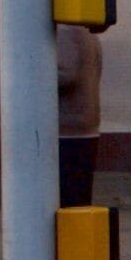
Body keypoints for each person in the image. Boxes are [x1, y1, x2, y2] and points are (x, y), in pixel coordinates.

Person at [54, 20, 101, 209]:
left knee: (66, 201)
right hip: (86, 124)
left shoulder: (65, 31)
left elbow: (65, 75)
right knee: (78, 201)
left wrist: (29, 75)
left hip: (67, 127)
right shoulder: (89, 32)